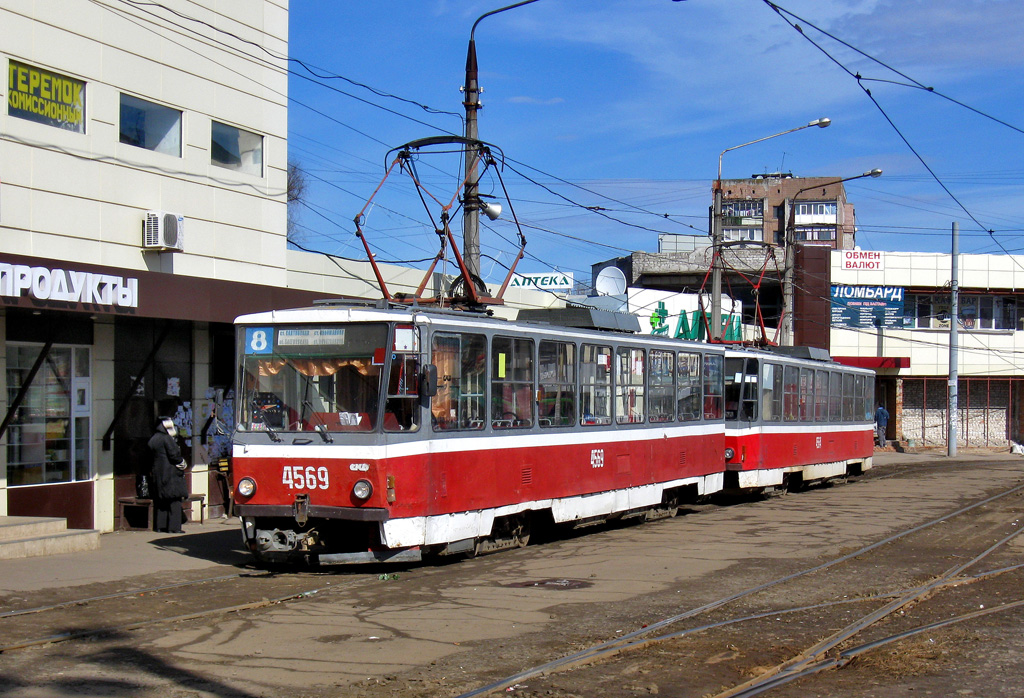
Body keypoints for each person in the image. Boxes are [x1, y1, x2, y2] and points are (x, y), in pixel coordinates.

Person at [148, 417, 188, 533]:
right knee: (174, 501)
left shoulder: (153, 439)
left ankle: (161, 526)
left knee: (162, 501)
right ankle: (174, 528)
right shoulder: (167, 439)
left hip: (158, 473)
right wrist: (182, 462)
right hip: (171, 473)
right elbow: (174, 455)